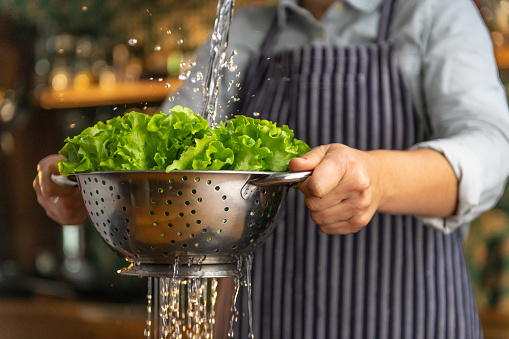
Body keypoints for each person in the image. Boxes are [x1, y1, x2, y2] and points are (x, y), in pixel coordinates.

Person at [34, 0, 509, 338]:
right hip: (265, 319)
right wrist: (94, 178)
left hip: (410, 319)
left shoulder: (435, 12)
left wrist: (379, 178)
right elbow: (172, 147)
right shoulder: (247, 28)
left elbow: (491, 150)